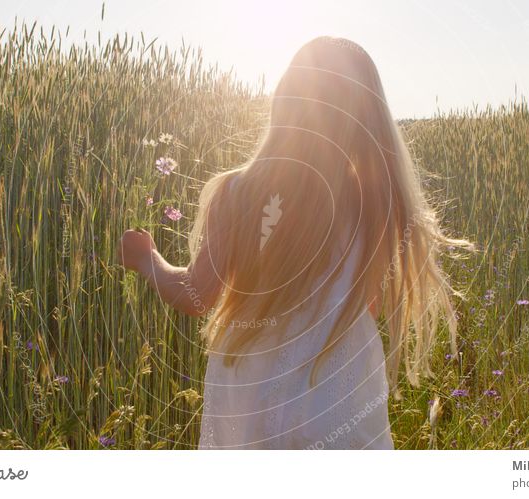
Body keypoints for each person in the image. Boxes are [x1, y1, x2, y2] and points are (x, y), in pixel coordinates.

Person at [116, 36, 472, 449]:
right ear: (366, 116)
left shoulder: (239, 194)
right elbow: (368, 302)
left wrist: (147, 259)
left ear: (285, 100)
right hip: (337, 397)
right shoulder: (373, 203)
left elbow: (196, 295)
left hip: (252, 397)